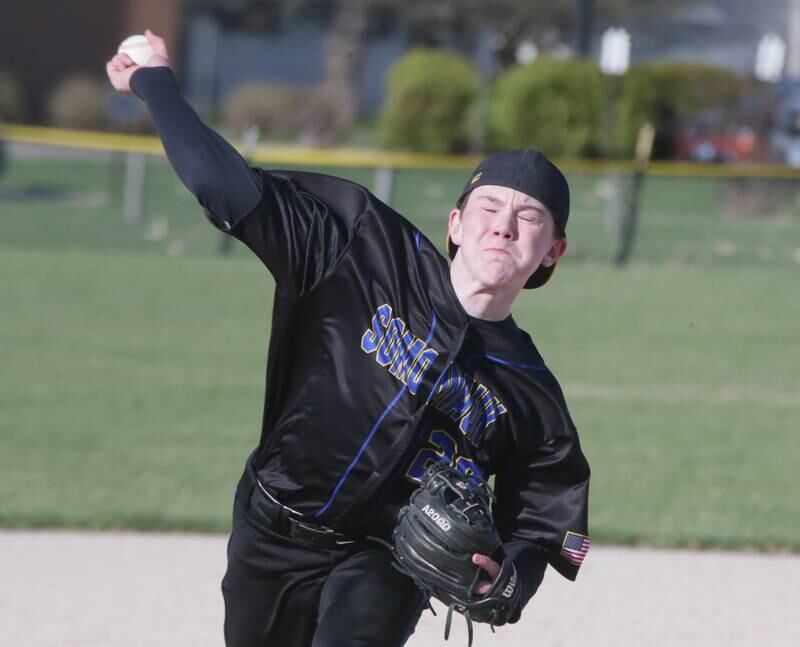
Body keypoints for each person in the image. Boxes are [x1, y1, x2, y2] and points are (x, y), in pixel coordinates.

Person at [107, 30, 590, 647]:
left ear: (552, 251)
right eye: (489, 206)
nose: (503, 225)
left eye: (529, 218)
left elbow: (544, 516)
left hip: (384, 561)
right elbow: (221, 185)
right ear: (457, 224)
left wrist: (510, 583)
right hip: (272, 527)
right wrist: (155, 80)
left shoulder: (528, 391)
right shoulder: (359, 247)